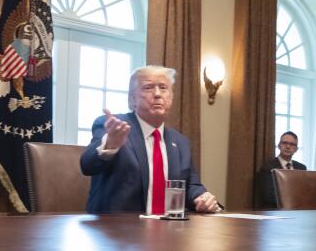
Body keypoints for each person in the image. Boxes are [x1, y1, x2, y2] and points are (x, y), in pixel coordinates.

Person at [80, 65, 220, 215]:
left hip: (169, 230)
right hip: (118, 230)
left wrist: (202, 197)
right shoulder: (113, 127)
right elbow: (87, 165)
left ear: (171, 99)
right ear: (132, 99)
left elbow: (192, 186)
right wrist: (110, 144)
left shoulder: (180, 143)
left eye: (163, 88)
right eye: (148, 88)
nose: (157, 94)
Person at [255, 131, 306, 209]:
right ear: (279, 146)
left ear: (296, 149)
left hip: (298, 210)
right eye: (284, 143)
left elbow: (303, 193)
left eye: (292, 144)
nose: (288, 146)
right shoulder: (268, 167)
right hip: (275, 211)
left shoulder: (301, 168)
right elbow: (268, 196)